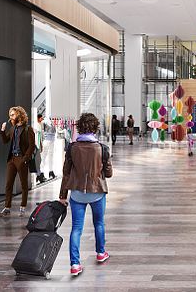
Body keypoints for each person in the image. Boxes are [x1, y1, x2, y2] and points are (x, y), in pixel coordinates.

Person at [58, 113, 113, 276]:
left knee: (76, 229)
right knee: (99, 223)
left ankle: (75, 264)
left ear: (79, 128)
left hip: (77, 194)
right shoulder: (102, 148)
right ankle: (101, 253)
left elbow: (66, 173)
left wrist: (62, 195)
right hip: (97, 193)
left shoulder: (72, 148)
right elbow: (109, 174)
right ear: (95, 128)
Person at [0, 106, 35, 218]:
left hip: (21, 159)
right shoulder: (13, 129)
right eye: (10, 115)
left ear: (19, 115)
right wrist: (2, 131)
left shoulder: (28, 129)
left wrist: (25, 159)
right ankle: (7, 208)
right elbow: (5, 141)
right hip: (12, 159)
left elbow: (32, 146)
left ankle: (23, 207)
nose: (11, 117)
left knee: (24, 185)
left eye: (13, 115)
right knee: (8, 184)